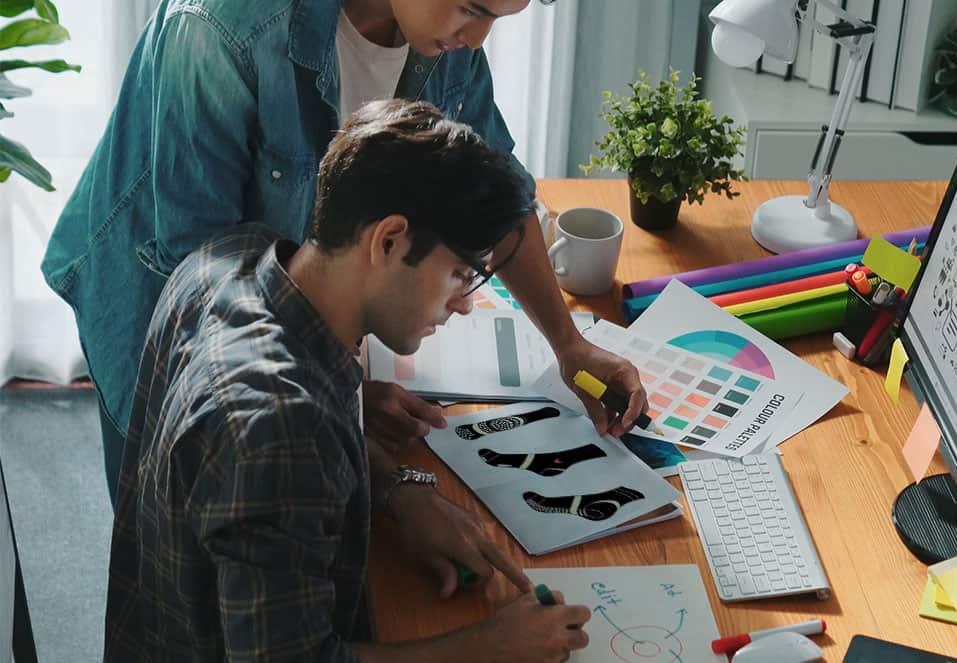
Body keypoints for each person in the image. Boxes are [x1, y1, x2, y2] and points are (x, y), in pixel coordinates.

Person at [42, 0, 648, 508]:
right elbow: (208, 284)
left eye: (499, 16)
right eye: (472, 7)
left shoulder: (444, 40)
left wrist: (572, 348)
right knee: (169, 544)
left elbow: (498, 197)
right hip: (158, 302)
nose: (478, 38)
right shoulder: (217, 30)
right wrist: (344, 401)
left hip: (288, 321)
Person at [104, 99, 591, 662]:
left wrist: (392, 489)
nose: (463, 304)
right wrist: (490, 646)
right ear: (388, 241)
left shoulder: (229, 258)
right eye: (461, 273)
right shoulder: (284, 427)